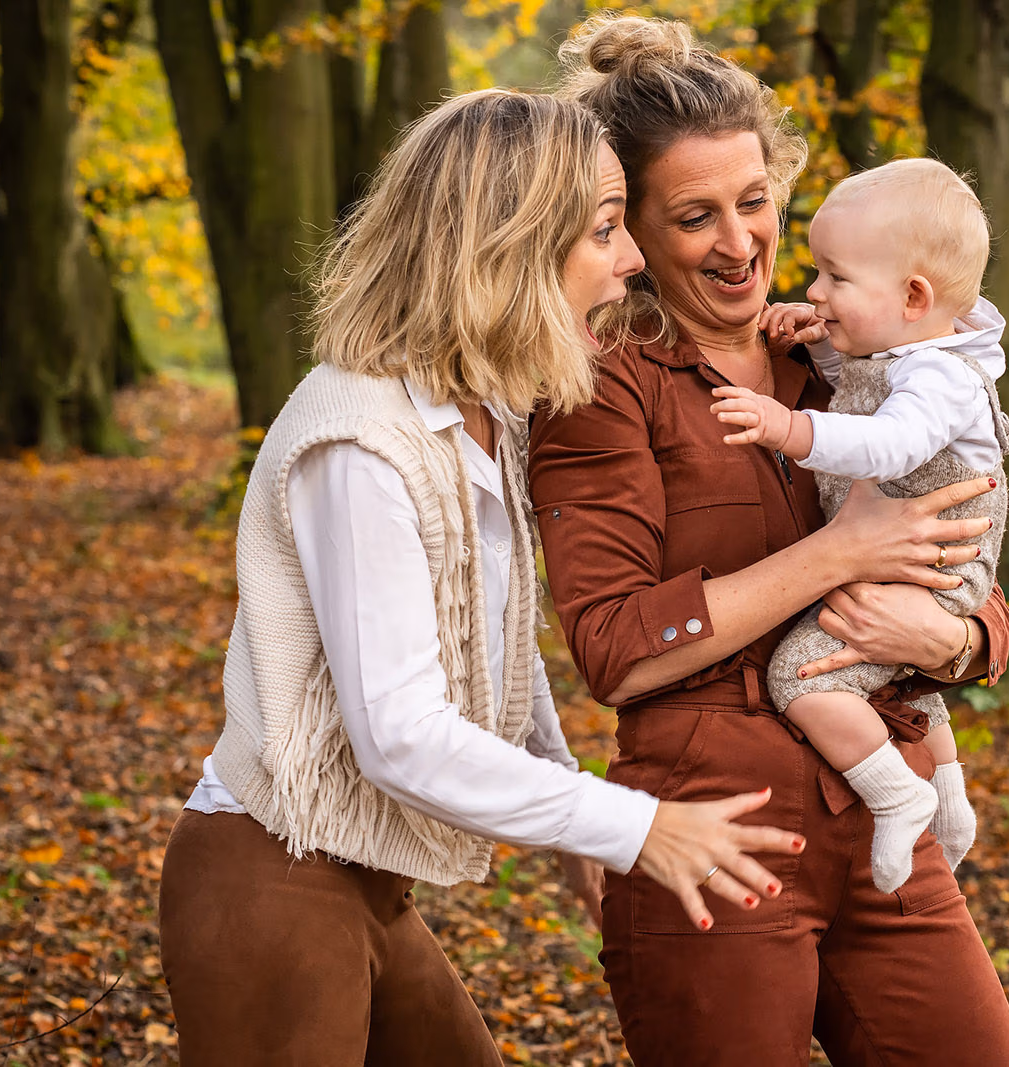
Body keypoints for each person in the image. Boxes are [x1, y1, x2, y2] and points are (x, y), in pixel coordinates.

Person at [159, 89, 807, 1067]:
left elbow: (493, 651)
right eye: (601, 229)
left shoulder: (481, 412)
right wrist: (634, 825)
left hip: (367, 886)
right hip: (269, 881)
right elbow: (400, 733)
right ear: (509, 247)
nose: (630, 256)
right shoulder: (362, 438)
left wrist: (572, 819)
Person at [530, 16, 1009, 1066]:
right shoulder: (601, 392)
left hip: (879, 797)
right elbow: (616, 647)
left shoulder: (847, 359)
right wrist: (835, 554)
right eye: (694, 215)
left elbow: (967, 533)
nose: (739, 240)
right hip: (717, 828)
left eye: (754, 201)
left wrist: (959, 642)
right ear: (628, 228)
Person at [709, 158, 1009, 894]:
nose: (814, 291)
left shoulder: (938, 378)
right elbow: (862, 390)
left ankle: (895, 794)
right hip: (909, 557)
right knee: (891, 665)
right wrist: (813, 343)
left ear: (913, 296)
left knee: (802, 678)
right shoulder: (906, 351)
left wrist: (789, 426)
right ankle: (946, 794)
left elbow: (887, 444)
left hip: (935, 561)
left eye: (835, 279)